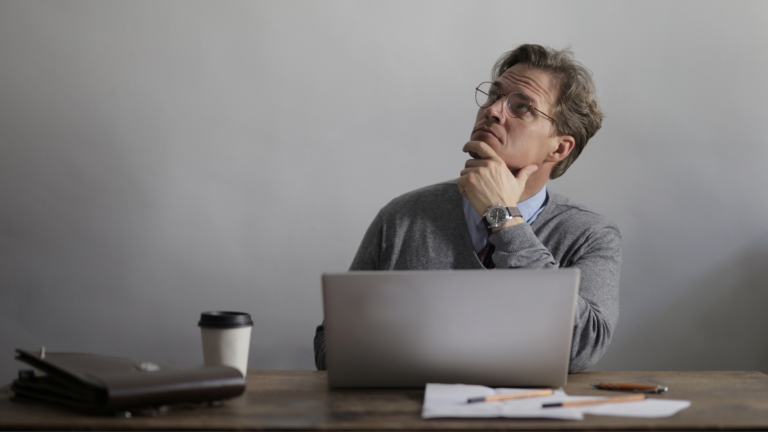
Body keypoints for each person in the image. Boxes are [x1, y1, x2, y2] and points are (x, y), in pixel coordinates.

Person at [314, 44, 620, 374]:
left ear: (559, 147)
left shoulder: (590, 235)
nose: (493, 110)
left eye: (521, 107)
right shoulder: (403, 217)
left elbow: (582, 349)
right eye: (493, 95)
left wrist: (503, 217)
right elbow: (331, 347)